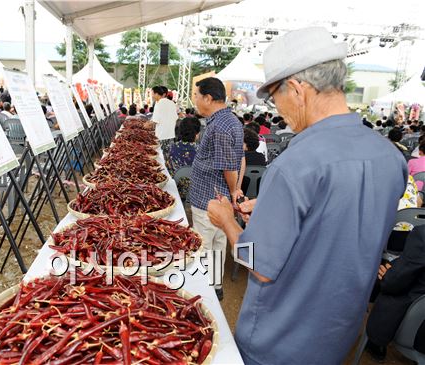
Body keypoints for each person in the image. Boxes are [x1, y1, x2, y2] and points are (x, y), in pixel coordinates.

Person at [206, 26, 407, 365]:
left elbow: (259, 265)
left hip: (279, 338)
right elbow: (341, 232)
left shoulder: (295, 164)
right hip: (338, 333)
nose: (277, 107)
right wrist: (273, 212)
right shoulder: (389, 156)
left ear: (297, 89)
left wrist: (227, 222)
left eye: (274, 96)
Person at [189, 77, 245, 301]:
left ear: (208, 98)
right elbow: (238, 159)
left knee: (205, 243)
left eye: (196, 96)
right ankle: (215, 284)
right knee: (218, 243)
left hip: (209, 198)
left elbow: (229, 167)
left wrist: (233, 190)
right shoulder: (230, 121)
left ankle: (206, 290)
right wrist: (235, 190)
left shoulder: (220, 126)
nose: (194, 100)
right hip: (218, 198)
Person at [365, 224, 425, 361]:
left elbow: (393, 283)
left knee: (383, 282)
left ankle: (376, 343)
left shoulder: (422, 234)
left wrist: (389, 274)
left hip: (415, 330)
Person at [166, 117, 200, 200]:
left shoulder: (171, 147)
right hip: (196, 191)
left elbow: (168, 169)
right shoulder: (201, 151)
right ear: (196, 134)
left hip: (175, 190)